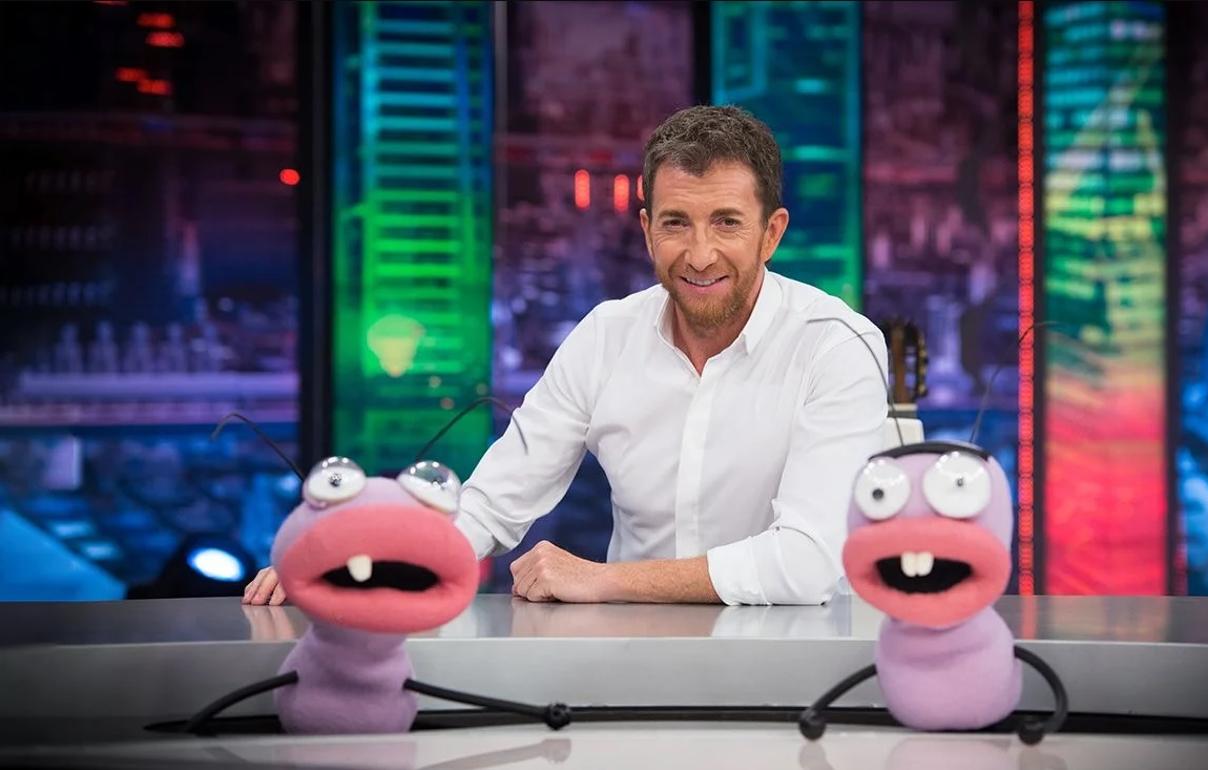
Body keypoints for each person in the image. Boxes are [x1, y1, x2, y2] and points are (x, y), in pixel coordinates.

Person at [244, 105, 886, 607]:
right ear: (646, 229)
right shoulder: (606, 335)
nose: (698, 254)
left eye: (726, 222)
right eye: (675, 223)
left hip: (797, 662)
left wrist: (604, 580)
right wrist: (352, 564)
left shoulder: (837, 344)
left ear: (771, 233)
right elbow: (490, 504)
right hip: (632, 658)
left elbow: (805, 563)